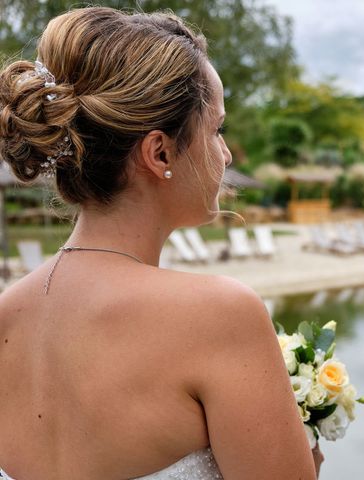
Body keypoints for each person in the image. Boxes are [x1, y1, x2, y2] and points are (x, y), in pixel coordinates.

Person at [0, 7, 322, 479]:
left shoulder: (6, 316)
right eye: (216, 129)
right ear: (160, 152)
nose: (226, 153)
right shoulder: (219, 316)